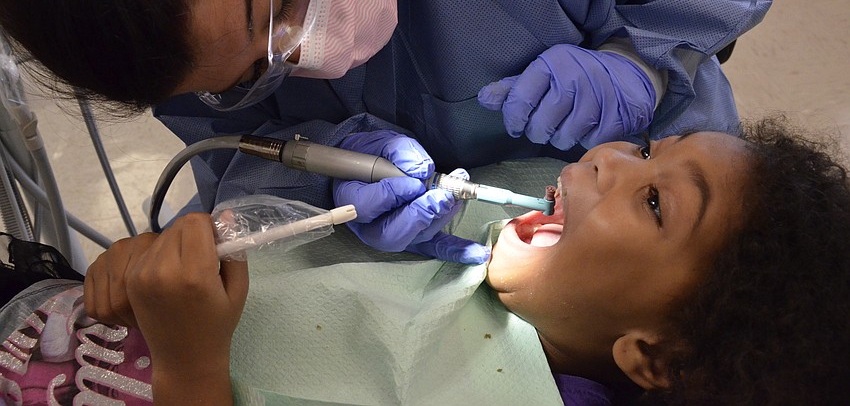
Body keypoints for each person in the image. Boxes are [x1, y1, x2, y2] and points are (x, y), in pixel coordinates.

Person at [0, 0, 780, 264]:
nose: (316, 59)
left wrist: (638, 62)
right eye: (250, 75)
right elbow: (233, 160)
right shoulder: (155, 28)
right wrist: (319, 164)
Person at [2, 117, 849, 405]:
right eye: (648, 147)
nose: (609, 159)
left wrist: (189, 365)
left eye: (656, 201)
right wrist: (153, 269)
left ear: (653, 354)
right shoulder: (526, 275)